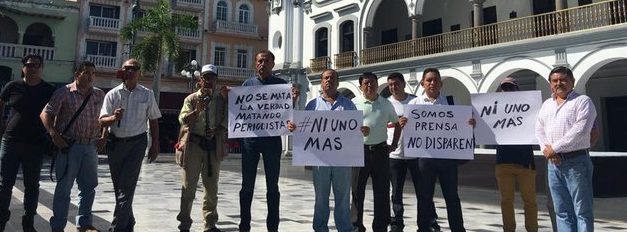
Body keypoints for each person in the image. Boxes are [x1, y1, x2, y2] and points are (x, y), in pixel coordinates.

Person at [237, 50, 299, 232]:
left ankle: (273, 227)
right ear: (255, 64)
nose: (262, 64)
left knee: (273, 184)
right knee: (247, 184)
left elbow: (286, 114)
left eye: (265, 61)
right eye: (259, 61)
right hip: (250, 140)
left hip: (272, 141)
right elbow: (239, 110)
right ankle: (244, 225)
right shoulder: (247, 84)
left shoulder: (281, 85)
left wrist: (293, 101)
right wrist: (227, 97)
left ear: (273, 64)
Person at [41, 61, 106, 232]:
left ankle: (84, 224)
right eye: (86, 72)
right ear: (77, 74)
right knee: (64, 188)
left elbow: (104, 117)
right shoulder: (64, 92)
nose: (90, 76)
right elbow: (46, 114)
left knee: (89, 187)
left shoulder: (99, 94)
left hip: (90, 146)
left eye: (93, 73)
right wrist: (54, 135)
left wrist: (104, 136)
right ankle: (58, 226)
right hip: (70, 146)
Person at [287, 69, 355, 232]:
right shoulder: (313, 105)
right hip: (320, 160)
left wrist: (362, 130)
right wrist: (295, 127)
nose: (328, 81)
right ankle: (320, 228)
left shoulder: (348, 104)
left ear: (338, 82)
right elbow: (304, 130)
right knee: (321, 199)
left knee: (343, 198)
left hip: (342, 160)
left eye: (332, 78)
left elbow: (354, 129)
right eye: (325, 78)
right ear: (321, 82)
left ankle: (344, 228)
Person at [400, 68, 466, 232]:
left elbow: (460, 125)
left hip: (447, 157)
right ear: (422, 83)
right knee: (424, 197)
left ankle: (458, 229)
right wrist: (403, 124)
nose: (432, 83)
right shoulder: (414, 104)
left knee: (452, 196)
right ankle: (423, 228)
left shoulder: (450, 102)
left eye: (436, 80)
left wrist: (469, 123)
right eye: (429, 80)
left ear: (441, 83)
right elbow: (408, 129)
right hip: (424, 158)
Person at [99, 59, 161, 232]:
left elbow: (154, 120)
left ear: (139, 72)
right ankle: (129, 222)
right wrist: (113, 118)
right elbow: (102, 120)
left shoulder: (147, 94)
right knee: (119, 188)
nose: (131, 71)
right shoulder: (112, 94)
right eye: (127, 68)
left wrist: (155, 144)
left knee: (125, 189)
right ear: (122, 71)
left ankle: (116, 227)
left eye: (134, 69)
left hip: (137, 144)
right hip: (115, 144)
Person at [535, 66, 597, 232]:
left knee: (582, 211)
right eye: (554, 80)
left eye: (563, 79)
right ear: (550, 84)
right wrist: (547, 151)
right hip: (553, 165)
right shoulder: (547, 105)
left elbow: (580, 130)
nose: (559, 83)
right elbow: (539, 129)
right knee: (561, 211)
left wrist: (554, 148)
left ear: (572, 82)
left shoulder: (582, 101)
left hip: (576, 163)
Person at [0, 54, 56, 232]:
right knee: (4, 184)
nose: (33, 68)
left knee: (32, 185)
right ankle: (1, 219)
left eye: (37, 65)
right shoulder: (13, 86)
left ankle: (28, 221)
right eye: (29, 65)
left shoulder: (49, 90)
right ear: (23, 67)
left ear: (42, 68)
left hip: (35, 144)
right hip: (11, 141)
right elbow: (1, 102)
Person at [386, 72, 440, 232]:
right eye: (390, 84)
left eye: (396, 83)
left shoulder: (415, 101)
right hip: (394, 155)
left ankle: (428, 223)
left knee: (423, 191)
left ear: (403, 84)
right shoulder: (386, 104)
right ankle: (396, 224)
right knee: (395, 192)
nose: (393, 87)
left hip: (417, 155)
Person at [176, 64, 227, 232]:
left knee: (212, 188)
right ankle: (184, 223)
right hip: (194, 146)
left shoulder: (221, 100)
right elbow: (184, 120)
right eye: (206, 77)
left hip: (212, 146)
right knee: (189, 187)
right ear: (200, 80)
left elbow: (228, 121)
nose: (209, 81)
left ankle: (210, 223)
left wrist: (217, 130)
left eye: (212, 77)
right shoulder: (191, 99)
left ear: (216, 80)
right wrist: (197, 110)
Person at [351, 72, 400, 232]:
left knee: (382, 191)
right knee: (357, 191)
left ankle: (380, 226)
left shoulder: (385, 104)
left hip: (380, 151)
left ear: (377, 84)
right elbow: (345, 128)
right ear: (360, 86)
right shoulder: (353, 103)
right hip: (359, 151)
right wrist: (356, 131)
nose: (369, 86)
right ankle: (356, 225)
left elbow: (396, 123)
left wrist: (393, 144)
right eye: (366, 83)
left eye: (372, 82)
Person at [492, 77, 537, 232]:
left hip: (525, 162)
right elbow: (484, 127)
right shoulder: (494, 109)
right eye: (504, 88)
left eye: (511, 88)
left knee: (530, 201)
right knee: (506, 200)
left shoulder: (529, 107)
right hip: (503, 161)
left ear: (517, 89)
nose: (507, 91)